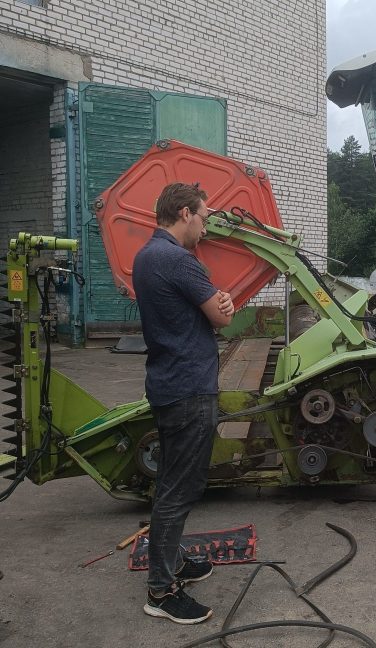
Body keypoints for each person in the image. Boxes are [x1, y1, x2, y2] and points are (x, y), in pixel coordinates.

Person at [133, 182, 234, 624]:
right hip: (189, 389)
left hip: (169, 383)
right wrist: (221, 304)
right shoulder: (178, 260)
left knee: (173, 484)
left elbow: (204, 309)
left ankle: (172, 562)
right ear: (185, 213)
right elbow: (222, 316)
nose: (206, 226)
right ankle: (161, 590)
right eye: (204, 217)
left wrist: (215, 303)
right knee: (179, 490)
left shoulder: (146, 256)